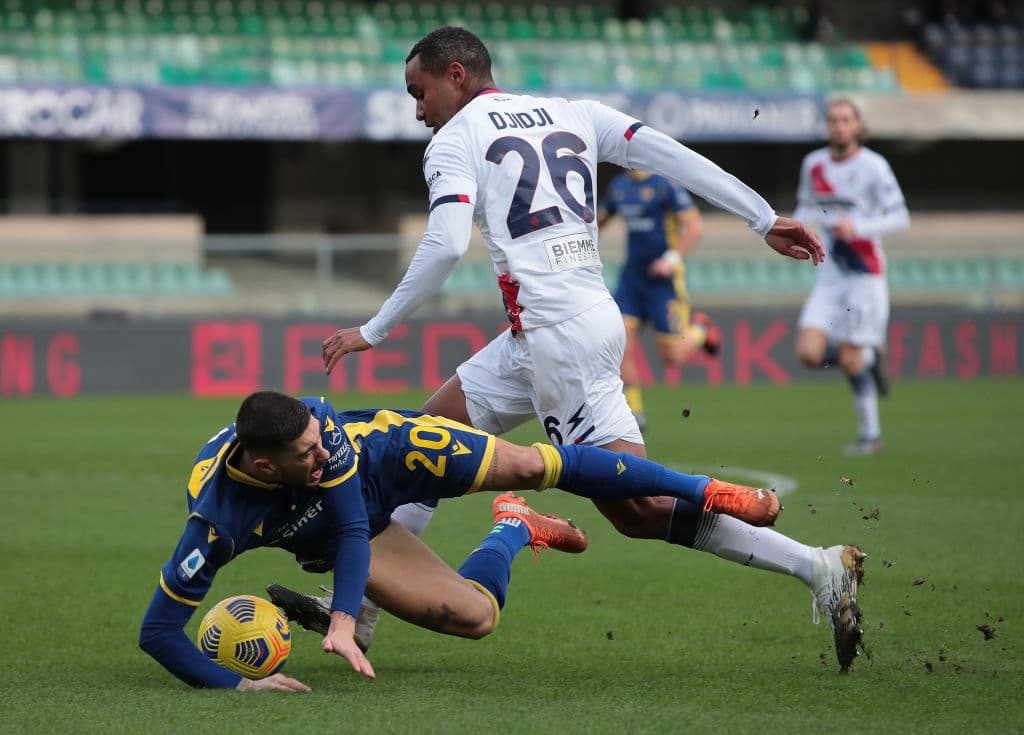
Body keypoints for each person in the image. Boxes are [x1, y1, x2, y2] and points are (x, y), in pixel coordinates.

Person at [319, 27, 864, 670]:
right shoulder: (576, 113)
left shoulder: (455, 139)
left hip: (559, 342)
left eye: (420, 91)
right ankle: (362, 610)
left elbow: (442, 246)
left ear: (456, 75)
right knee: (425, 440)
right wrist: (762, 216)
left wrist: (371, 331)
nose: (418, 110)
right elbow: (667, 153)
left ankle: (817, 568)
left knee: (637, 510)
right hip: (557, 329)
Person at [139, 390, 783, 690]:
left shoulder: (322, 431)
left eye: (316, 440)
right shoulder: (218, 522)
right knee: (476, 617)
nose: (319, 452)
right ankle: (514, 525)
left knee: (537, 464)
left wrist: (342, 616)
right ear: (261, 467)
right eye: (304, 455)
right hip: (331, 530)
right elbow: (159, 632)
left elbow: (355, 517)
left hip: (391, 456)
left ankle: (705, 488)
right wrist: (241, 686)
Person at [793, 97, 909, 455]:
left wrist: (857, 226)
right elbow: (804, 206)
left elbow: (900, 217)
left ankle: (870, 436)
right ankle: (869, 358)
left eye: (846, 120)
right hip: (829, 275)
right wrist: (798, 231)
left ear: (858, 125)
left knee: (850, 358)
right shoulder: (813, 164)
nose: (839, 126)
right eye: (833, 120)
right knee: (808, 353)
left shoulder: (875, 166)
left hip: (865, 274)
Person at [597, 169, 721, 432]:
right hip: (631, 280)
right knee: (620, 344)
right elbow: (599, 221)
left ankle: (702, 329)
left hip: (664, 284)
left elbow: (694, 225)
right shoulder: (619, 186)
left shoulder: (665, 184)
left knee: (672, 357)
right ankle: (634, 413)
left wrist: (671, 259)